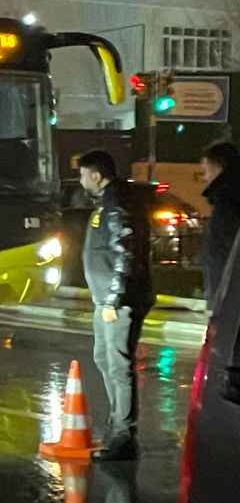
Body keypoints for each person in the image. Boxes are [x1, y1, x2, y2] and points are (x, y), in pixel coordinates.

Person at [78, 149, 153, 461]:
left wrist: (113, 299)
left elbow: (124, 252)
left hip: (118, 301)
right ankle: (117, 426)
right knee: (104, 359)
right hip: (106, 300)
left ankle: (123, 434)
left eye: (83, 174)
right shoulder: (105, 203)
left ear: (96, 175)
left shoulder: (116, 204)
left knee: (118, 364)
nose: (80, 181)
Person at [200, 141, 240, 310]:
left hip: (228, 302)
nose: (205, 177)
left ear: (218, 166)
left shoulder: (227, 204)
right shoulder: (230, 199)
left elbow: (230, 253)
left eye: (206, 170)